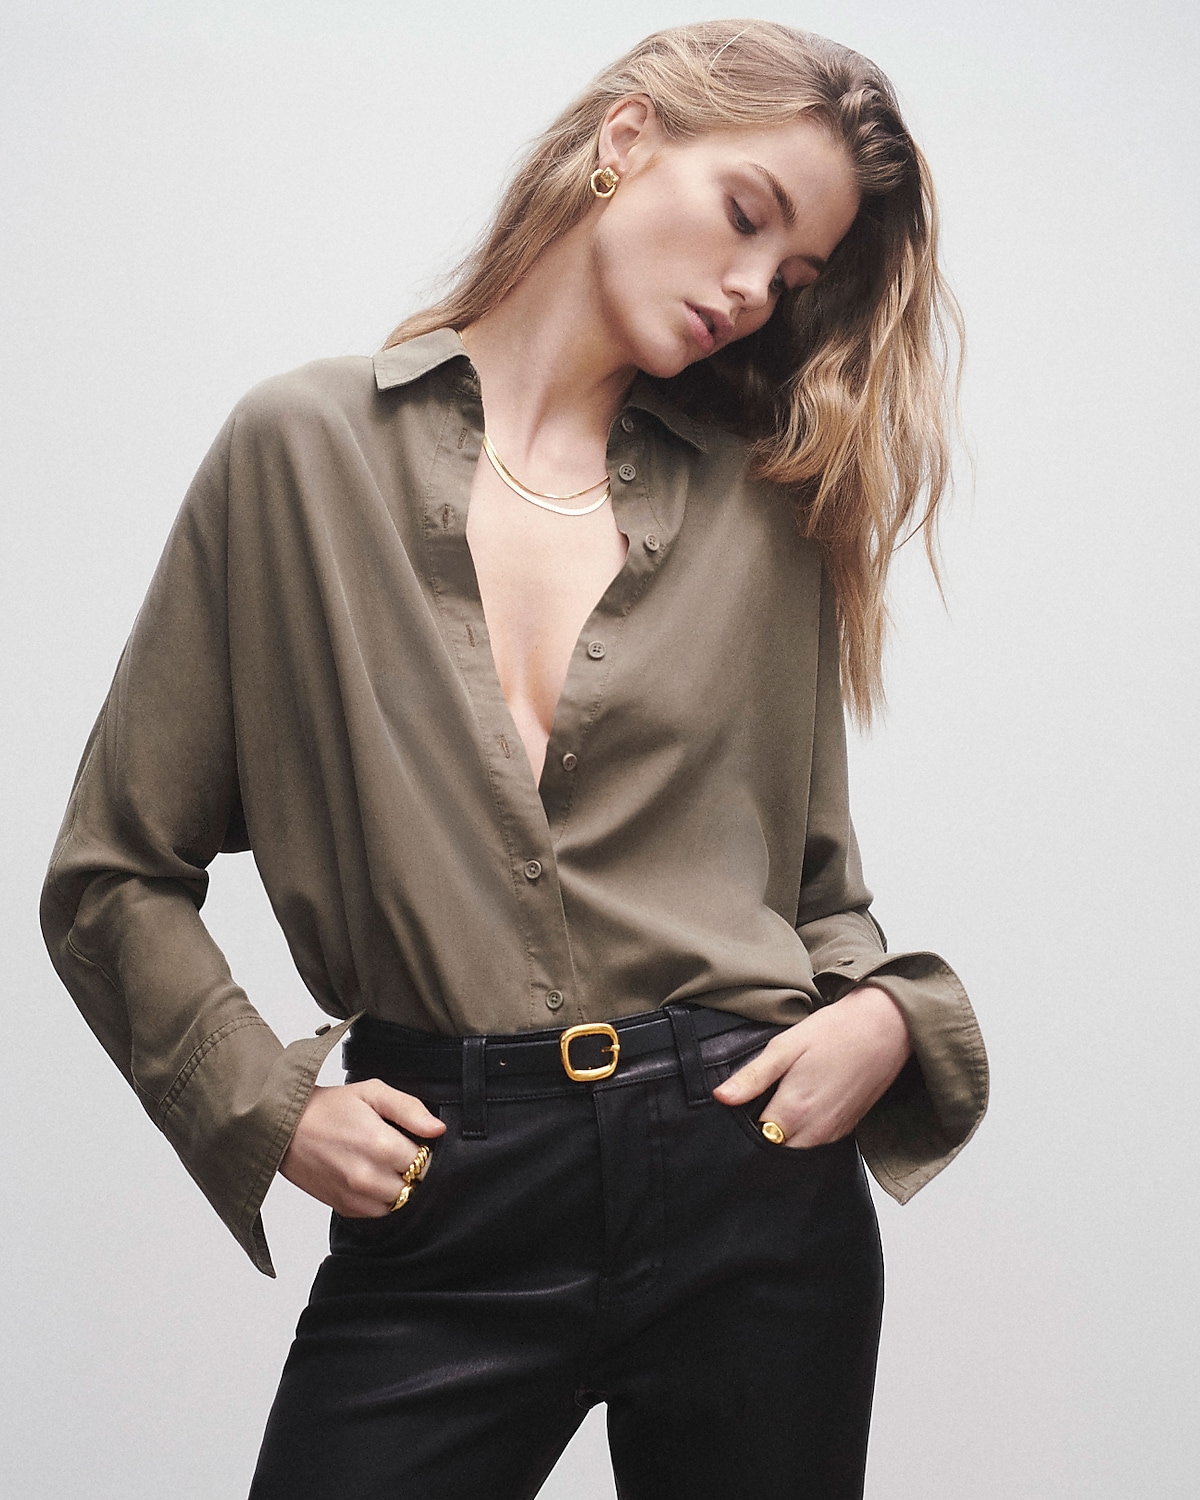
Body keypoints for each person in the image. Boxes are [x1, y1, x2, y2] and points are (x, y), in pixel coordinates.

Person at [41, 19, 988, 1500]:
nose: (754, 290)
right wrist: (267, 1107)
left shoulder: (766, 515)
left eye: (794, 278)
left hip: (751, 1182)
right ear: (627, 141)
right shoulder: (298, 455)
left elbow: (813, 892)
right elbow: (110, 875)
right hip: (451, 1197)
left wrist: (883, 1017)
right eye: (748, 217)